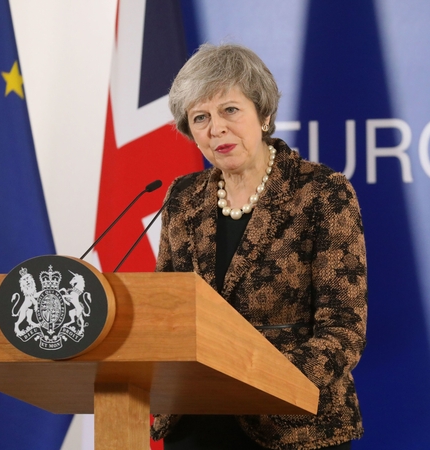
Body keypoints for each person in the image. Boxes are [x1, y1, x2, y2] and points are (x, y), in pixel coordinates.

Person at [151, 43, 367, 450]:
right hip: (198, 420)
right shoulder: (183, 197)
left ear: (264, 114)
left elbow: (343, 329)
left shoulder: (321, 192)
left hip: (294, 423)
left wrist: (262, 380)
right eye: (201, 117)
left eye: (230, 110)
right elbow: (167, 312)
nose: (216, 128)